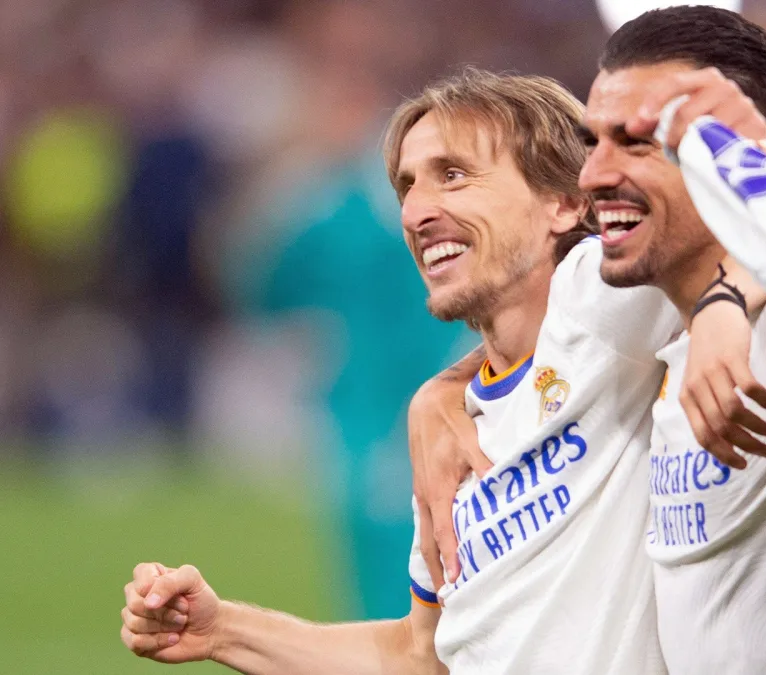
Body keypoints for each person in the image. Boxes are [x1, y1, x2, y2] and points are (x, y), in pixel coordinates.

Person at [411, 6, 766, 674]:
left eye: (637, 142)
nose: (592, 174)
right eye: (596, 141)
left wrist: (730, 295)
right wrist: (438, 394)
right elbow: (520, 315)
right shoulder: (640, 314)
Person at [118, 69, 683, 675]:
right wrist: (224, 629)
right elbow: (420, 655)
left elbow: (721, 234)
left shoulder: (611, 305)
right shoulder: (455, 434)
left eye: (455, 175)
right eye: (408, 186)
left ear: (565, 202)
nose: (416, 211)